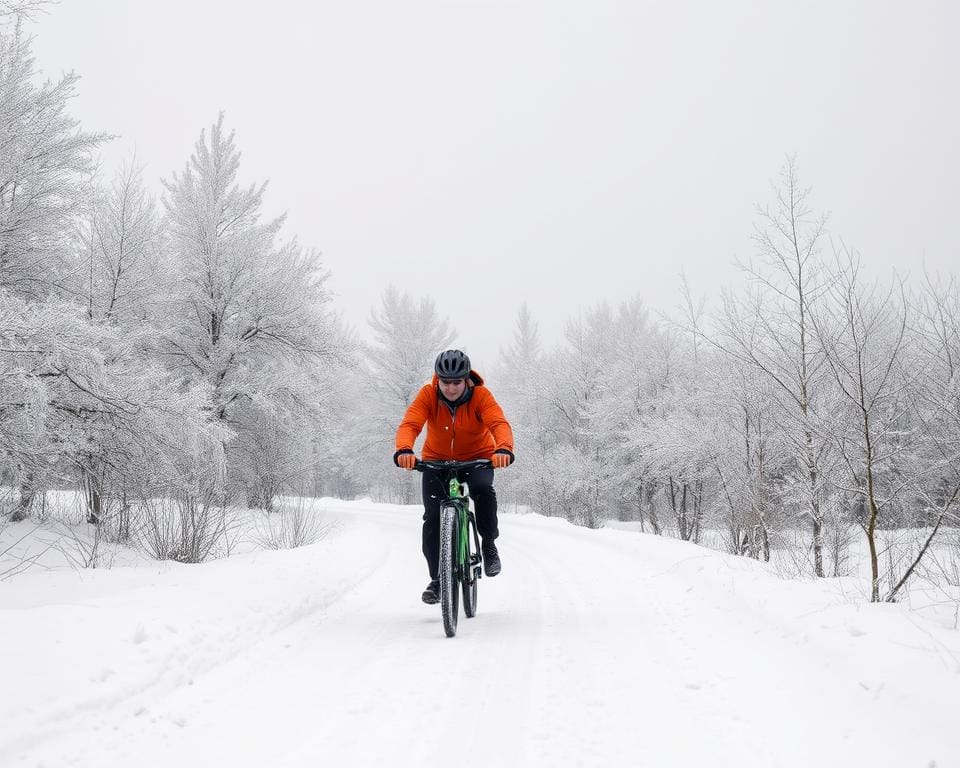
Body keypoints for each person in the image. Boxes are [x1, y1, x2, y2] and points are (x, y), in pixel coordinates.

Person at [394, 349, 515, 604]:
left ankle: (489, 545)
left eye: (456, 383)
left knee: (483, 491)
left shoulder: (481, 396)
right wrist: (405, 449)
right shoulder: (428, 394)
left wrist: (503, 448)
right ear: (438, 379)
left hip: (477, 459)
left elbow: (498, 423)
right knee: (432, 518)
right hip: (436, 462)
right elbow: (411, 423)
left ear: (466, 380)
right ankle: (438, 580)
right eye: (445, 382)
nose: (450, 388)